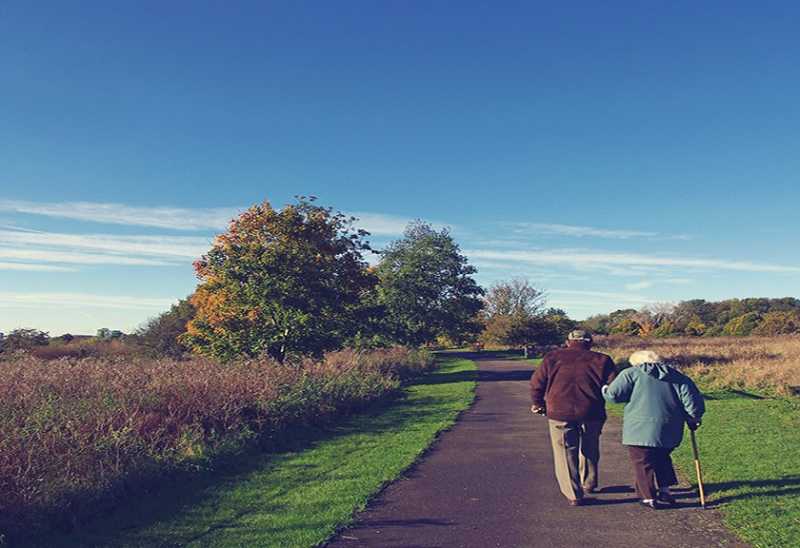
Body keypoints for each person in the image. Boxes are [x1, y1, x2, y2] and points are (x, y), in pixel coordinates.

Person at [603, 350, 705, 510]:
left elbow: (614, 396)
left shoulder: (630, 374)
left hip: (639, 428)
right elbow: (692, 403)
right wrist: (694, 418)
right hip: (670, 428)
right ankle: (665, 490)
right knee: (662, 456)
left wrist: (604, 389)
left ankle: (648, 497)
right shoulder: (677, 376)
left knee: (642, 462)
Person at [530, 329, 617, 506]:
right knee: (590, 447)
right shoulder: (602, 359)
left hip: (560, 411)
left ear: (568, 341)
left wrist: (538, 403)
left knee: (564, 451)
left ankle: (573, 494)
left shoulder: (552, 357)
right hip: (592, 411)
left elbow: (537, 383)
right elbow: (614, 386)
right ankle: (589, 482)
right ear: (590, 342)